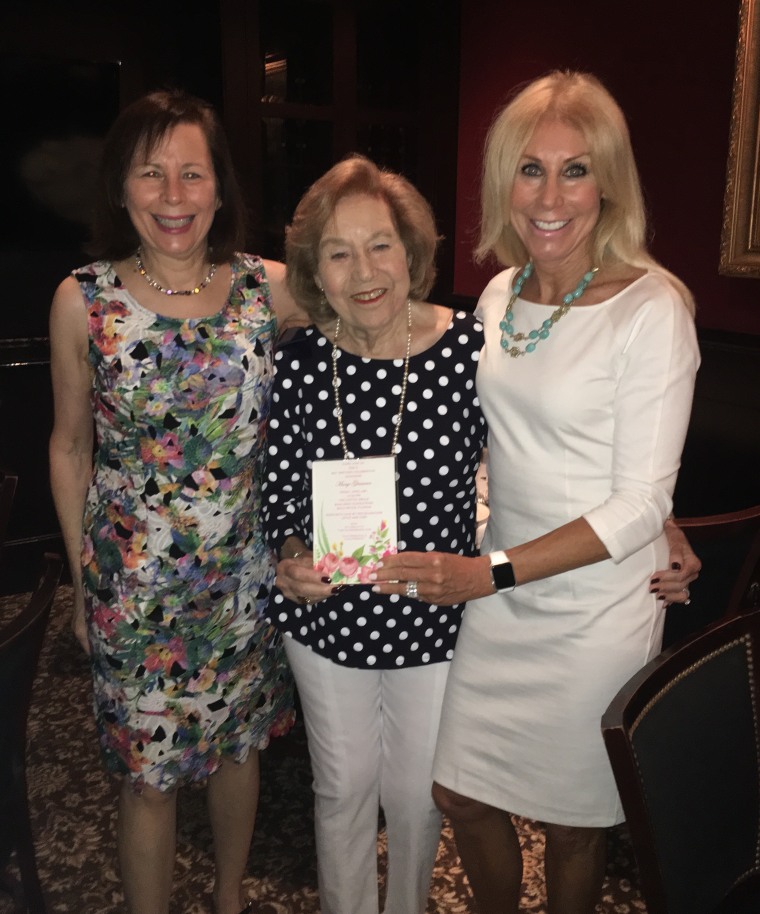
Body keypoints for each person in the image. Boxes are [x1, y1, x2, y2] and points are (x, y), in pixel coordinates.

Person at [260, 153, 698, 914]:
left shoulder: (470, 345)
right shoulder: (300, 360)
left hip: (439, 606)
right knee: (341, 787)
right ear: (313, 269)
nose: (363, 270)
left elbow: (555, 435)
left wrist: (663, 521)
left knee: (420, 794)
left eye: (381, 245)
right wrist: (293, 554)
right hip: (326, 613)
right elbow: (280, 483)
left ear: (413, 253)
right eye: (337, 252)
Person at [372, 70, 701, 914]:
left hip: (591, 609)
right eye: (530, 169)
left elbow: (633, 498)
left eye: (576, 170)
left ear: (611, 184)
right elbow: (505, 446)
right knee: (463, 795)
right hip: (503, 588)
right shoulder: (501, 292)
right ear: (502, 182)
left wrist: (653, 521)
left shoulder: (653, 308)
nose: (550, 195)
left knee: (572, 826)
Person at [48, 88, 302, 914]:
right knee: (148, 781)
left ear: (220, 189)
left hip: (241, 584)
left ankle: (229, 898)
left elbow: (386, 308)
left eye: (192, 174)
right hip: (135, 595)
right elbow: (70, 447)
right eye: (150, 173)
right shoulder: (83, 299)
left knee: (236, 754)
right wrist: (84, 592)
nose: (172, 195)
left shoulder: (268, 290)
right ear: (121, 187)